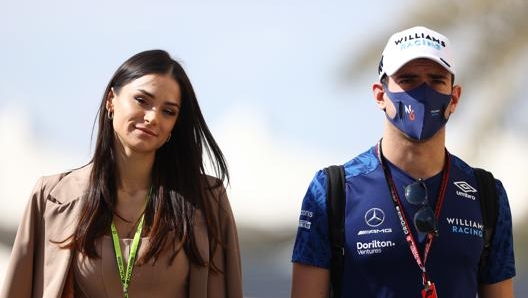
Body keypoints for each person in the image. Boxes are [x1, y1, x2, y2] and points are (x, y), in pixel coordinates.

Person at [291, 26, 516, 298]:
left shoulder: (487, 193)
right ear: (379, 95)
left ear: (454, 97)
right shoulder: (332, 190)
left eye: (436, 80)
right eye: (408, 80)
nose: (423, 92)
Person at [1, 49, 243, 298]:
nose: (152, 117)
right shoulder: (51, 197)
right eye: (142, 100)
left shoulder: (206, 201)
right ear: (111, 101)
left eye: (168, 111)